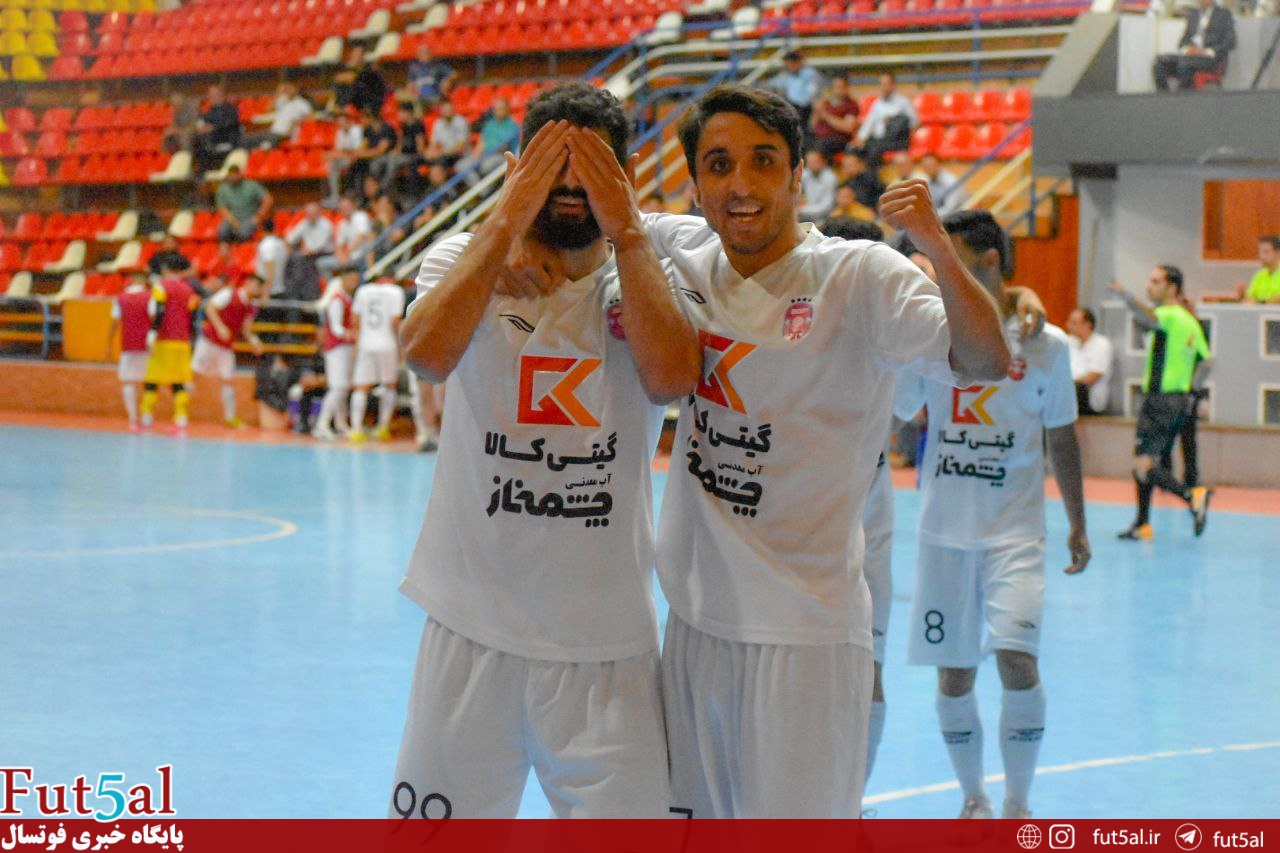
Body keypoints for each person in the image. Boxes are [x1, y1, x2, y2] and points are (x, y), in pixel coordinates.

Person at [638, 85, 1009, 818]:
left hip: (805, 639)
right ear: (695, 185)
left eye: (763, 161)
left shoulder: (859, 275)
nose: (741, 185)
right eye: (719, 165)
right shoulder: (683, 250)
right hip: (693, 630)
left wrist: (938, 248)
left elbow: (986, 359)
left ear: (798, 174)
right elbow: (591, 215)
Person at [391, 82, 699, 818]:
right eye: (549, 166)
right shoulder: (464, 259)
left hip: (605, 644)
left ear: (624, 174)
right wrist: (503, 227)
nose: (568, 185)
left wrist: (629, 234)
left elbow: (671, 379)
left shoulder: (650, 275)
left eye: (589, 167)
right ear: (515, 170)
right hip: (470, 628)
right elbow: (425, 356)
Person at [893, 210, 1089, 824]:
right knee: (953, 676)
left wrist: (1079, 523)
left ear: (990, 260)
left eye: (952, 257)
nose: (941, 270)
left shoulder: (1046, 346)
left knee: (1017, 661)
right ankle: (974, 798)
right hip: (943, 536)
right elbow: (895, 409)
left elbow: (1063, 436)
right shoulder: (933, 335)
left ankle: (1018, 805)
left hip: (1015, 535)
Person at [1109, 267, 1213, 540]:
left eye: (1156, 281)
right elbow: (1207, 360)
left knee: (1143, 465)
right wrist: (1191, 391)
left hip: (1160, 401)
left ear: (1173, 288)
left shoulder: (1169, 315)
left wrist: (1125, 296)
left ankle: (1192, 497)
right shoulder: (1190, 320)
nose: (1149, 286)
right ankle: (1142, 523)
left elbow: (1147, 316)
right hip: (1176, 402)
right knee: (1146, 464)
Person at [192, 273, 266, 427]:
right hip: (209, 341)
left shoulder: (251, 306)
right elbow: (210, 307)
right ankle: (180, 411)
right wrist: (220, 327)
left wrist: (254, 342)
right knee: (194, 374)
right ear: (247, 283)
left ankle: (230, 417)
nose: (258, 289)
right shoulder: (228, 294)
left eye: (260, 287)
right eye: (256, 285)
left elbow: (246, 329)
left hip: (226, 347)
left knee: (228, 380)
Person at [140, 261, 202, 433]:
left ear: (166, 269)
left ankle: (146, 416)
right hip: (182, 341)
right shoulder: (189, 290)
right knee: (178, 381)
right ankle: (181, 418)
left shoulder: (161, 287)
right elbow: (193, 316)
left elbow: (160, 311)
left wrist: (153, 333)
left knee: (152, 379)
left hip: (164, 339)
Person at [348, 275, 406, 443]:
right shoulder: (396, 292)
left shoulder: (363, 291)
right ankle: (382, 427)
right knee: (389, 384)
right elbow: (395, 322)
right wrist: (401, 348)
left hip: (366, 343)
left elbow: (355, 319)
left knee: (361, 387)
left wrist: (357, 343)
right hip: (387, 343)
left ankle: (356, 429)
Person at [312, 266, 358, 440]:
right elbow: (336, 328)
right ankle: (322, 424)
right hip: (336, 348)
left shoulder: (347, 298)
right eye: (352, 279)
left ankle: (341, 424)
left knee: (343, 388)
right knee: (337, 387)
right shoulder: (337, 300)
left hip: (345, 347)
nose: (355, 283)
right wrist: (351, 334)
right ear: (344, 279)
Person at [1153, 0, 1236, 91]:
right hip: (1190, 55)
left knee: (1185, 64)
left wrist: (1206, 51)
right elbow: (1183, 40)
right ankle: (1164, 95)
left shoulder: (1224, 14)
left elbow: (1230, 42)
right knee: (1160, 62)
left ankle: (1183, 96)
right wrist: (1187, 49)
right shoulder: (1194, 14)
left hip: (1210, 58)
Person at [111, 272, 154, 431]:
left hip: (127, 343)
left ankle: (133, 418)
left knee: (128, 381)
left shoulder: (120, 298)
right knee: (148, 380)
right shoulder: (150, 296)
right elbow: (154, 318)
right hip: (146, 343)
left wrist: (109, 342)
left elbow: (115, 321)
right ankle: (147, 417)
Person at [853, 72, 919, 168]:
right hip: (880, 140)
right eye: (881, 84)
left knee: (874, 149)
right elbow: (869, 123)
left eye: (886, 84)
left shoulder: (903, 102)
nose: (883, 88)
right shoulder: (877, 103)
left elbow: (914, 122)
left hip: (897, 141)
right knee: (854, 149)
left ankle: (873, 175)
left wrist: (894, 123)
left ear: (893, 85)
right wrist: (860, 138)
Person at [456, 97, 520, 185]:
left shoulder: (512, 125)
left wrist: (483, 158)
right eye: (496, 109)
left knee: (486, 166)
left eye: (501, 109)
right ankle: (480, 188)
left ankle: (485, 188)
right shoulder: (489, 125)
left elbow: (504, 148)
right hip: (485, 155)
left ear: (507, 110)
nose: (499, 111)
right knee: (461, 166)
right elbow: (481, 143)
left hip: (502, 156)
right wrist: (476, 156)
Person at [1065, 306, 1113, 415]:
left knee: (1075, 387)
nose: (1069, 326)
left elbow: (1093, 376)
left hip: (1089, 396)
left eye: (1074, 323)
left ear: (1087, 324)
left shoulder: (1102, 344)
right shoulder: (1068, 342)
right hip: (1069, 390)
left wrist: (1067, 383)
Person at [766, 51, 823, 138]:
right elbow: (772, 83)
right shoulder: (788, 75)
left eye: (791, 64)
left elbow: (812, 95)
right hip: (793, 107)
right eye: (787, 64)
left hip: (806, 109)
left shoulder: (810, 74)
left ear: (798, 62)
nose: (789, 66)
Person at [244, 82, 313, 150]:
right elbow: (268, 109)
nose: (288, 90)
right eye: (286, 88)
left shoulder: (302, 103)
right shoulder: (282, 100)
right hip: (273, 131)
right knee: (247, 139)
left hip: (287, 133)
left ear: (296, 89)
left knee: (268, 142)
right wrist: (279, 93)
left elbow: (310, 118)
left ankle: (263, 151)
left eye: (290, 88)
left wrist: (297, 122)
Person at [319, 195, 373, 278]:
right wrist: (340, 256)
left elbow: (361, 237)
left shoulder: (361, 216)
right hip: (350, 257)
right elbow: (338, 245)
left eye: (347, 206)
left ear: (354, 206)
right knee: (321, 263)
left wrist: (346, 254)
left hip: (364, 255)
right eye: (342, 208)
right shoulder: (342, 223)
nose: (345, 209)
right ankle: (334, 284)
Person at [215, 166, 273, 243]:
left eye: (235, 173)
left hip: (249, 218)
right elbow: (221, 206)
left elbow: (268, 200)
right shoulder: (223, 189)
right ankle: (226, 248)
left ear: (240, 174)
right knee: (222, 231)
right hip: (232, 218)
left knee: (243, 233)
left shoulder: (252, 185)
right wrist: (231, 219)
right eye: (231, 174)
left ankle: (243, 249)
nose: (233, 176)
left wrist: (258, 216)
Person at [809, 73, 859, 160]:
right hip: (818, 137)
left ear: (846, 88)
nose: (837, 90)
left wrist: (826, 115)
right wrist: (817, 111)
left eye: (840, 87)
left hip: (837, 140)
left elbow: (848, 127)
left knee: (822, 146)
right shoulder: (827, 103)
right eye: (835, 87)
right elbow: (813, 124)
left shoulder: (851, 105)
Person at [194, 85, 242, 174]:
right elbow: (203, 123)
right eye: (209, 96)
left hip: (226, 139)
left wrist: (213, 128)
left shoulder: (231, 109)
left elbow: (230, 124)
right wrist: (202, 128)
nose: (211, 98)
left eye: (213, 95)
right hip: (210, 142)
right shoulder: (209, 111)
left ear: (221, 95)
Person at [325, 111, 366, 207]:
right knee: (332, 165)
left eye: (343, 122)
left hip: (359, 159)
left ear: (349, 121)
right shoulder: (339, 132)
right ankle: (335, 197)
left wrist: (343, 153)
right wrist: (334, 155)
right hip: (346, 159)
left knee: (344, 162)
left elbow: (357, 151)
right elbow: (339, 150)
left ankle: (357, 198)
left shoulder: (357, 130)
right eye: (339, 123)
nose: (341, 125)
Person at [424, 99, 470, 169]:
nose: (447, 111)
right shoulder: (438, 123)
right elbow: (433, 144)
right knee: (422, 160)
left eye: (449, 109)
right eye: (445, 109)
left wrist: (441, 153)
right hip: (445, 155)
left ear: (453, 109)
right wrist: (429, 152)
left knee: (439, 163)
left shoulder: (461, 121)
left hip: (460, 155)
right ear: (441, 110)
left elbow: (460, 147)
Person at [920, 152, 967, 217]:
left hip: (957, 216)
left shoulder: (951, 181)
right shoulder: (925, 180)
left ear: (939, 164)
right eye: (926, 166)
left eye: (931, 165)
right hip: (938, 215)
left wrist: (929, 215)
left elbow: (950, 208)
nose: (929, 169)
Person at [798, 148, 838, 222]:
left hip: (826, 217)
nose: (811, 165)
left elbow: (827, 206)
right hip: (807, 214)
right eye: (809, 162)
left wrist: (801, 209)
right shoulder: (806, 173)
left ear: (824, 162)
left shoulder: (829, 177)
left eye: (815, 161)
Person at [255, 219, 289, 298]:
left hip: (269, 292)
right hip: (280, 288)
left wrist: (265, 292)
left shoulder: (266, 245)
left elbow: (270, 269)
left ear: (261, 229)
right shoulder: (281, 243)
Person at [1241, 235, 1280, 303]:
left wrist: (1262, 301)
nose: (1261, 256)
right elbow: (1250, 297)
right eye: (1260, 252)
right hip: (1259, 308)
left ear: (1278, 253)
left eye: (1266, 252)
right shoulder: (1259, 275)